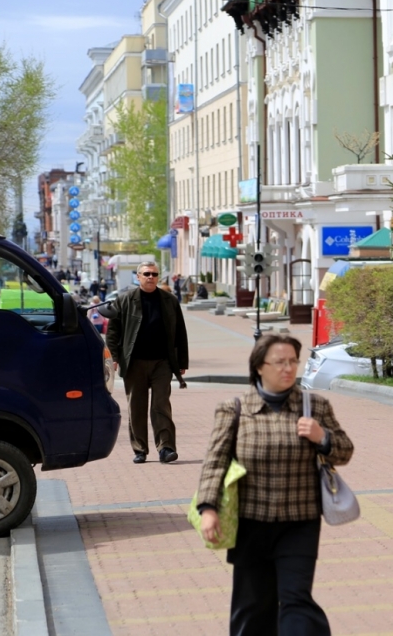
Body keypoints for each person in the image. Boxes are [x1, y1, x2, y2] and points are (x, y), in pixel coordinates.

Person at [196, 334, 354, 635]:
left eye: (293, 361)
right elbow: (215, 462)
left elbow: (345, 451)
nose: (288, 368)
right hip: (250, 523)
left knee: (297, 600)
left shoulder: (314, 406)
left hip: (300, 522)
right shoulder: (235, 409)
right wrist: (208, 508)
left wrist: (323, 437)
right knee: (253, 607)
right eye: (279, 362)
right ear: (259, 367)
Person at [105, 261, 189, 464]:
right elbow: (113, 331)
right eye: (146, 274)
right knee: (137, 406)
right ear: (138, 276)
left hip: (162, 362)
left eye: (154, 274)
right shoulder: (125, 300)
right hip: (134, 362)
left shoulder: (169, 300)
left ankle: (166, 448)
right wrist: (114, 358)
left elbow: (180, 333)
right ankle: (140, 449)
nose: (151, 277)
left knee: (161, 405)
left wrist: (181, 361)